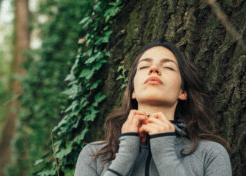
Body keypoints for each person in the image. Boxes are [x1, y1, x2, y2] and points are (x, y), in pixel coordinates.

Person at [75, 41, 232, 176]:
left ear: (182, 92)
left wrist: (165, 154)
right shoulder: (94, 155)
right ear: (133, 91)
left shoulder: (210, 153)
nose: (154, 69)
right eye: (144, 66)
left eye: (169, 67)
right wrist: (125, 154)